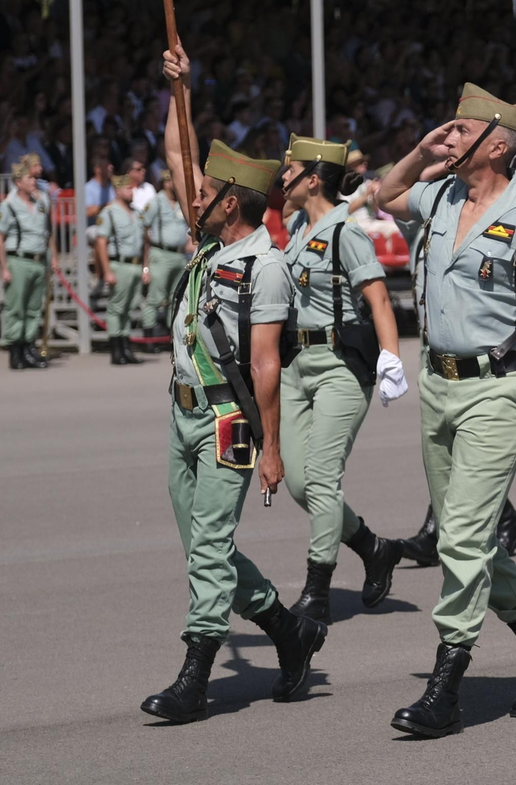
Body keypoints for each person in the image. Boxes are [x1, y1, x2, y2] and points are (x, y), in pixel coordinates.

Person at [375, 82, 516, 738]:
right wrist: (421, 148)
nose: (450, 137)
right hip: (438, 383)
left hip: (499, 389)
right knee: (472, 540)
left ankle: (447, 684)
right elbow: (382, 194)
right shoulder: (439, 194)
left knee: (460, 536)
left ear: (497, 144)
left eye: (461, 131)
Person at [141, 44, 325, 723]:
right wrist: (177, 91)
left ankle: (195, 673)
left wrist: (272, 445)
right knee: (202, 543)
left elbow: (269, 363)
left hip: (230, 421)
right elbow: (177, 156)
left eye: (206, 191)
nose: (192, 194)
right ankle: (289, 630)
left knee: (211, 544)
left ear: (232, 205)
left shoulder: (263, 266)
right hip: (182, 413)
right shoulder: (211, 242)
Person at [276, 133, 410, 623]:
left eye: (290, 169)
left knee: (322, 478)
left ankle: (317, 589)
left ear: (313, 179)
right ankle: (374, 548)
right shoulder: (294, 226)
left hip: (339, 367)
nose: (282, 174)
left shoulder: (346, 233)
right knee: (297, 482)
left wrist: (391, 358)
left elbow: (377, 298)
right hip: (296, 368)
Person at [0, 153, 58, 369]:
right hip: (18, 259)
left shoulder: (41, 201)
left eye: (33, 178)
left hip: (38, 260)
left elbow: (48, 233)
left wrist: (53, 258)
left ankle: (29, 346)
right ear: (18, 181)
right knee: (16, 307)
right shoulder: (8, 205)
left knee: (33, 308)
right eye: (29, 179)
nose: (33, 181)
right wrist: (4, 267)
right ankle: (15, 350)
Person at [92, 170, 150, 365]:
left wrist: (145, 268)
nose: (132, 192)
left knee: (128, 308)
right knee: (116, 308)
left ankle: (126, 347)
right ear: (117, 190)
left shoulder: (137, 212)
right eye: (128, 188)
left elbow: (145, 243)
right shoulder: (109, 212)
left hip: (134, 265)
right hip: (120, 263)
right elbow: (101, 242)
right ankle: (116, 349)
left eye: (132, 188)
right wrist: (107, 270)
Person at [142, 169, 191, 351]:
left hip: (179, 254)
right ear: (164, 183)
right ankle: (148, 339)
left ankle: (173, 338)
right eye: (169, 181)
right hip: (161, 252)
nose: (172, 184)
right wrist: (145, 264)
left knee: (175, 298)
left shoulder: (180, 202)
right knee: (155, 297)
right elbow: (144, 230)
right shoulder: (157, 201)